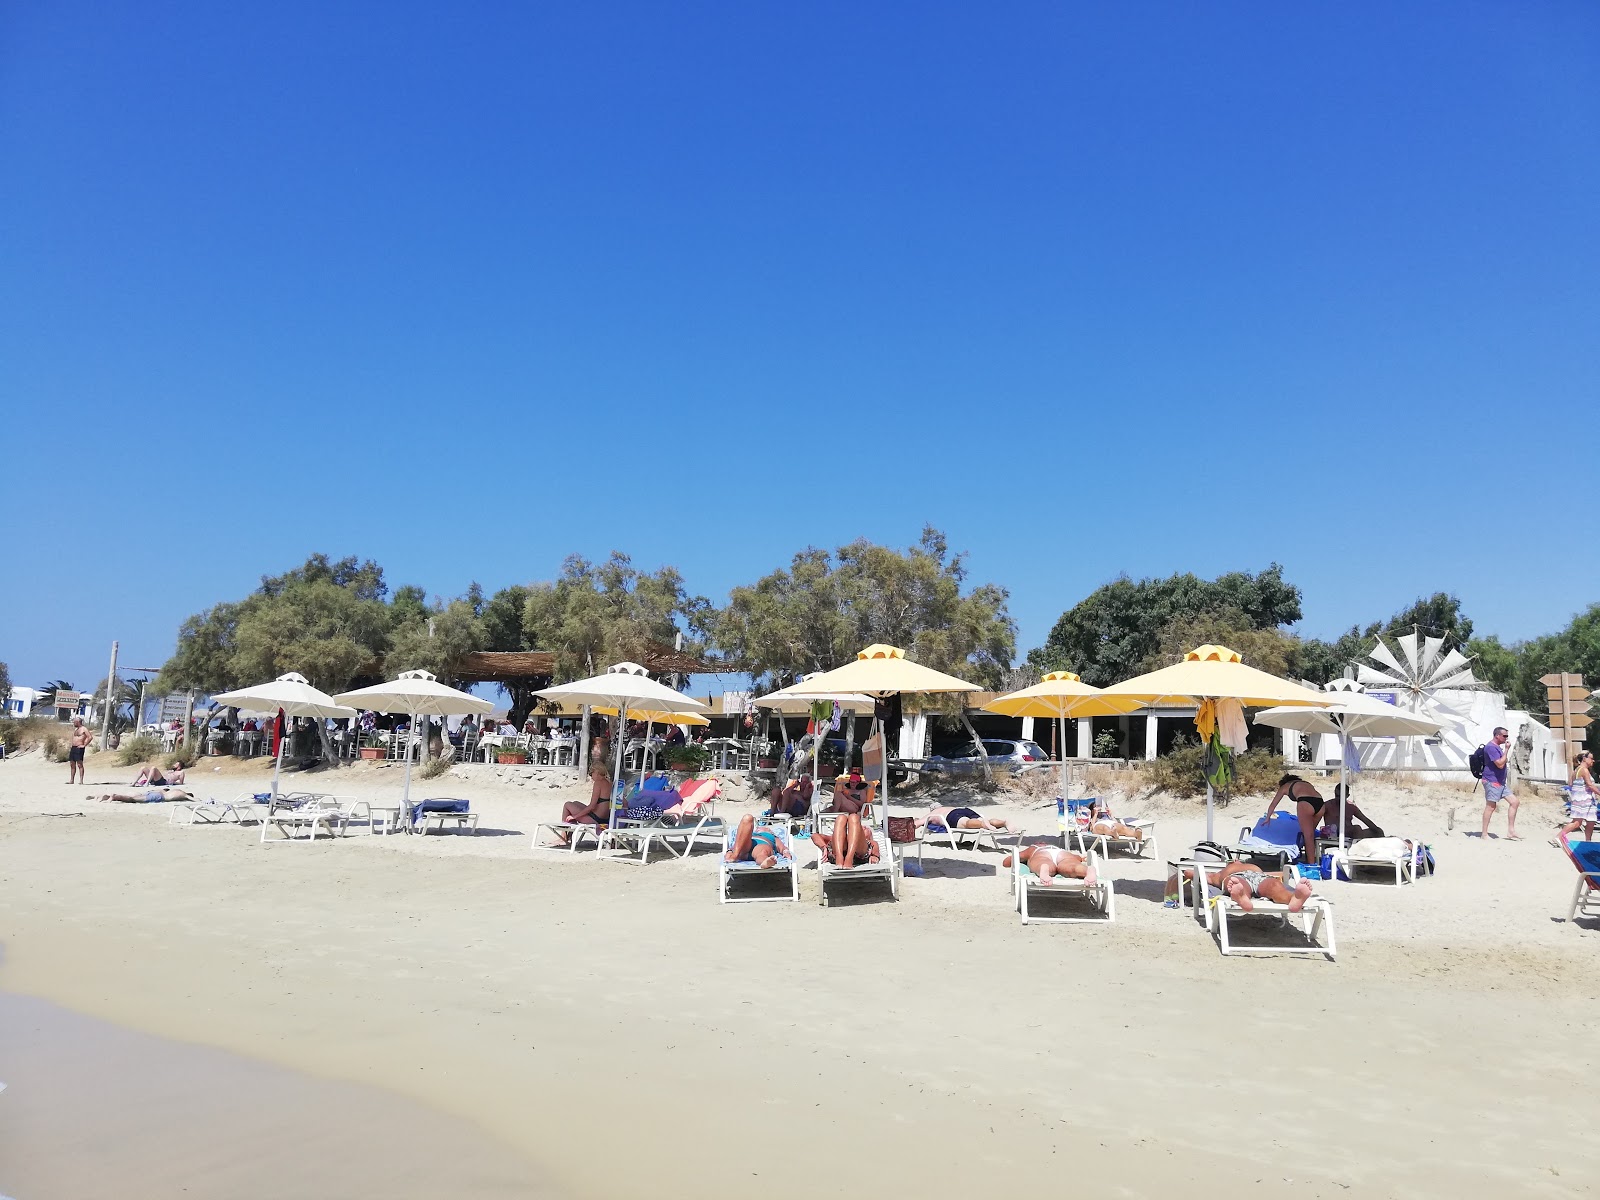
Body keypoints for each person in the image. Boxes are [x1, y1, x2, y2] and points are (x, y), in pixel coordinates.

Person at [1165, 859, 1313, 913]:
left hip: (1261, 877)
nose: (1235, 860)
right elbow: (1191, 873)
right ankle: (1242, 896)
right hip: (1235, 879)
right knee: (1239, 884)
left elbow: (1279, 875)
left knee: (1274, 885)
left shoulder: (1247, 865)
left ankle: (1293, 898)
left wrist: (1286, 873)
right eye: (1231, 860)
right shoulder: (1217, 873)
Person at [1264, 774, 1326, 864]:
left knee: (1308, 836)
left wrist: (1267, 817)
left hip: (1305, 802)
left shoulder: (1285, 786)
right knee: (1310, 836)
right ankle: (1313, 860)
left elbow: (1273, 804)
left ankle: (1312, 865)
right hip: (1320, 803)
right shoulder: (1305, 783)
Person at [1478, 726, 1521, 840]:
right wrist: (1506, 750)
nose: (1506, 738)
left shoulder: (1497, 747)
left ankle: (1511, 831)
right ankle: (1484, 834)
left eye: (1507, 736)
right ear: (1497, 735)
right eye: (1504, 736)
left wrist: (1504, 752)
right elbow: (1500, 764)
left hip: (1500, 782)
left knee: (1515, 802)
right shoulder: (1491, 747)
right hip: (1492, 781)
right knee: (1491, 807)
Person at [1004, 842, 1097, 888]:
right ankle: (1086, 870)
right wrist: (1080, 858)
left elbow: (1007, 862)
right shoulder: (1058, 848)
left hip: (1042, 853)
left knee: (1042, 862)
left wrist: (1025, 859)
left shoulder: (1033, 848)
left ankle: (1044, 868)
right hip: (1062, 853)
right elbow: (1077, 858)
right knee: (1071, 865)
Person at [1556, 750, 1598, 845]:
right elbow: (1590, 785)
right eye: (1591, 758)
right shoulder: (1583, 770)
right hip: (1583, 800)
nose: (1593, 760)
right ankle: (1559, 836)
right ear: (1584, 759)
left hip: (1585, 799)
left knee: (1591, 820)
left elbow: (1570, 784)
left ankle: (1588, 841)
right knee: (1577, 822)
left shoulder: (1576, 770)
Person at [812, 810, 879, 868]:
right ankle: (840, 858)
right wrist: (824, 847)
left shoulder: (868, 842)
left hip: (859, 854)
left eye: (866, 828)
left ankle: (848, 859)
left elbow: (874, 844)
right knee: (841, 817)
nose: (864, 827)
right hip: (838, 852)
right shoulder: (838, 837)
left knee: (854, 817)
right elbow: (814, 835)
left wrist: (875, 856)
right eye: (864, 827)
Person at [927, 805, 1014, 834]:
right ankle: (1003, 822)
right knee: (987, 821)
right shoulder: (948, 807)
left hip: (952, 815)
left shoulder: (934, 813)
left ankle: (982, 824)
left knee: (966, 823)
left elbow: (919, 822)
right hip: (963, 809)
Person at [100, 786, 194, 804]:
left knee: (133, 797)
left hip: (151, 792)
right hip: (158, 797)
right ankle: (114, 796)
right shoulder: (182, 794)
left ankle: (108, 796)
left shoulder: (169, 790)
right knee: (133, 799)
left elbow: (160, 789)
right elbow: (189, 798)